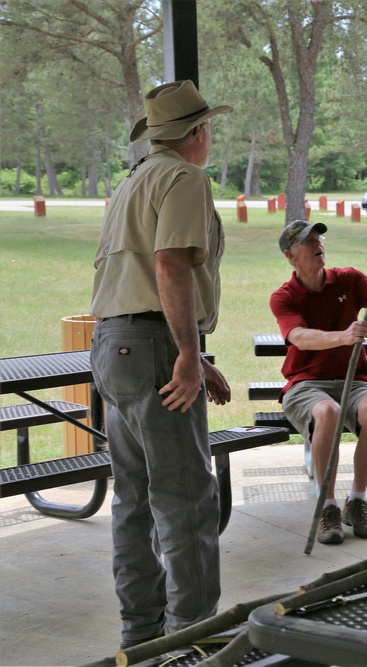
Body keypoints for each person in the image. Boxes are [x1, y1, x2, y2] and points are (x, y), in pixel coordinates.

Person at [89, 80, 233, 649]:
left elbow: (136, 279)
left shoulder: (132, 181)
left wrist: (193, 352)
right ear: (198, 133)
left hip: (113, 344)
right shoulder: (185, 178)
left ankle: (142, 638)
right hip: (150, 347)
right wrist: (186, 357)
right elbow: (170, 268)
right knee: (187, 500)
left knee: (134, 498)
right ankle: (193, 642)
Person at [270, 220, 367, 545]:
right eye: (307, 241)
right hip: (305, 384)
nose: (318, 243)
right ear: (291, 256)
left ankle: (356, 501)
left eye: (318, 237)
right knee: (327, 410)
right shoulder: (284, 297)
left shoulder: (348, 278)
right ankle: (326, 507)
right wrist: (344, 336)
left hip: (353, 380)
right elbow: (299, 337)